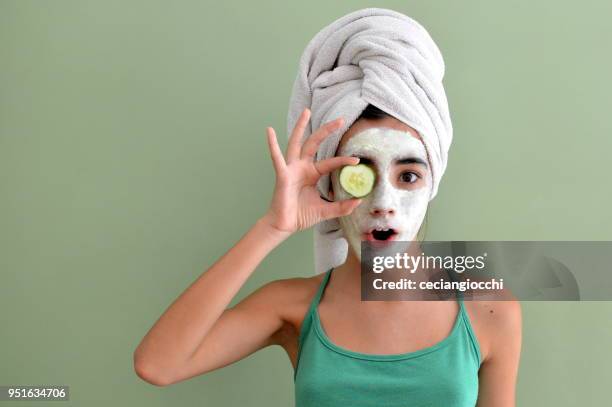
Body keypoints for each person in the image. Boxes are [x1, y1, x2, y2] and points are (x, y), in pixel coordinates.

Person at [133, 104, 522, 406]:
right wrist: (272, 228)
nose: (384, 203)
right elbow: (158, 365)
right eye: (361, 176)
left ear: (431, 185)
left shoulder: (488, 308)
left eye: (407, 175)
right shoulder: (291, 306)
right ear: (331, 187)